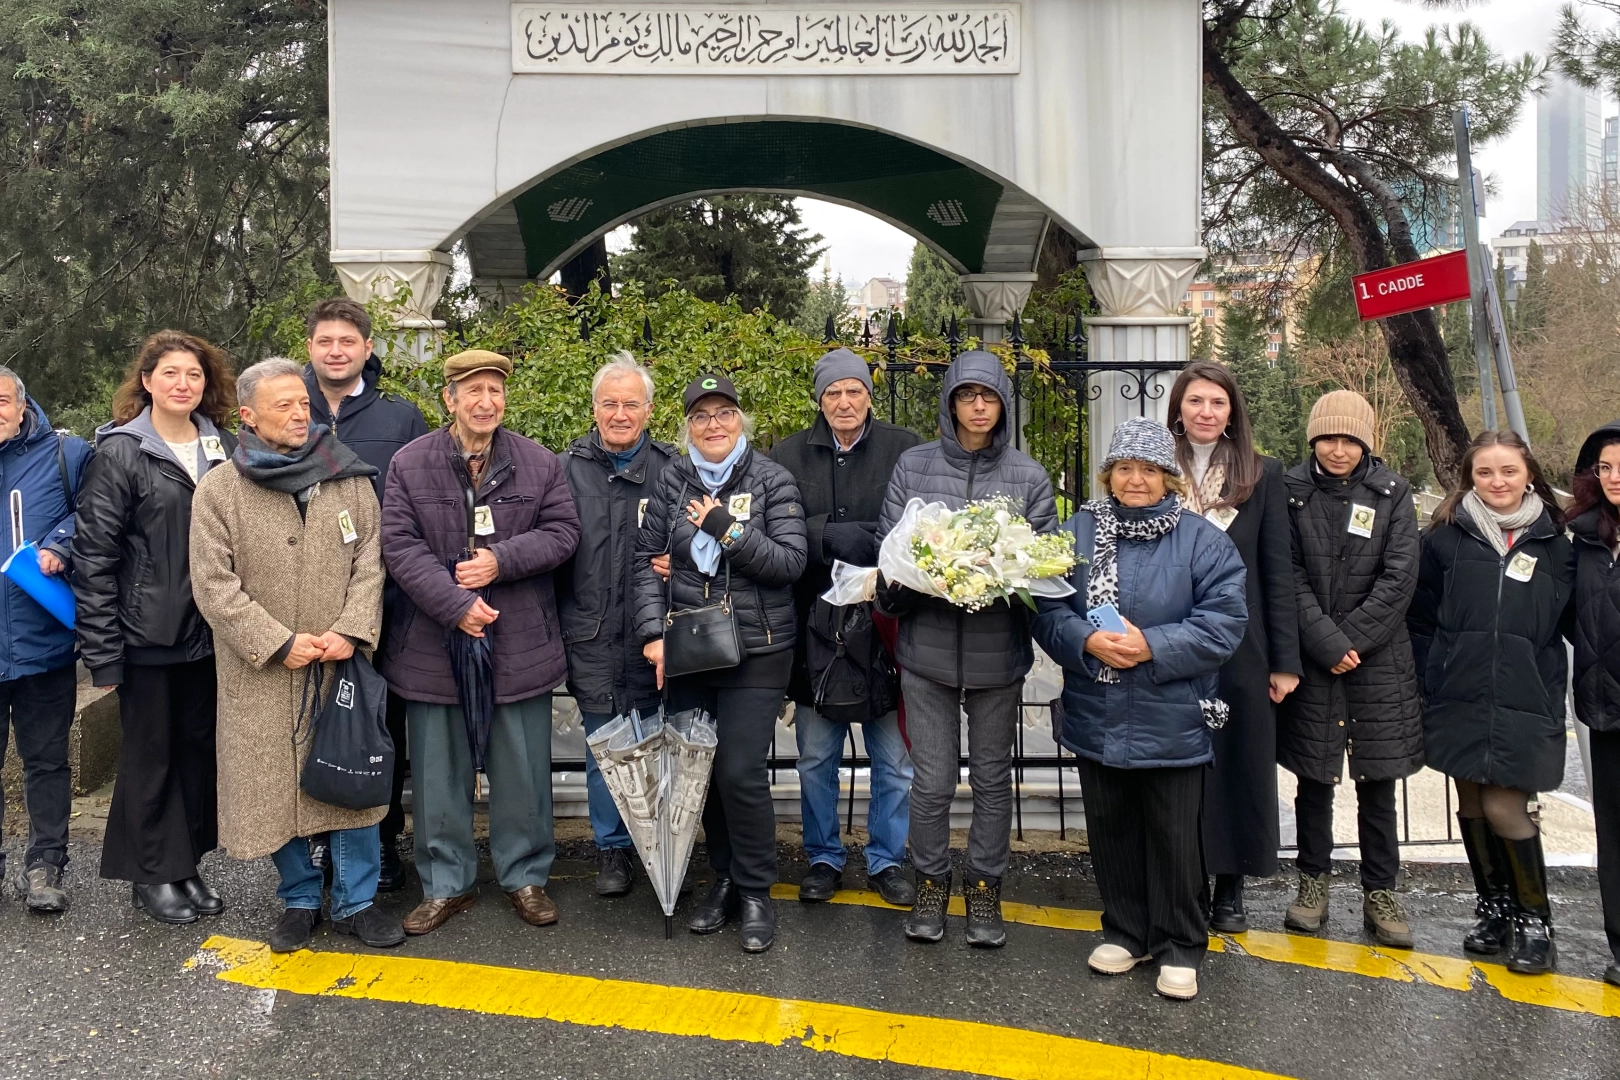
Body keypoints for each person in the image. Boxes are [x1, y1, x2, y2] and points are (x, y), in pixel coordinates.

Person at [189, 358, 403, 953]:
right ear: (248, 417)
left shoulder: (347, 477)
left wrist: (352, 630)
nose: (298, 413)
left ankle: (357, 901)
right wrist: (276, 642)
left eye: (302, 403)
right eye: (282, 405)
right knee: (270, 783)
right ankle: (301, 897)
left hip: (339, 659)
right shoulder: (219, 490)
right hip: (261, 669)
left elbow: (371, 561)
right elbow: (212, 584)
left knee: (349, 777)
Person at [1034, 418, 1247, 1001]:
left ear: (1168, 479)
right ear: (1109, 475)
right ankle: (1126, 930)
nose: (1135, 480)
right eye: (1124, 469)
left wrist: (1153, 644)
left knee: (1174, 834)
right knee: (1111, 828)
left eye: (1148, 470)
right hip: (1097, 707)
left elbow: (1225, 623)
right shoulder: (1076, 534)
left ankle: (1180, 942)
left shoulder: (1202, 540)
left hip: (1171, 709)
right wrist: (1084, 639)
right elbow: (1047, 609)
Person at [381, 349, 581, 936]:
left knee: (521, 769)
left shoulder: (538, 463)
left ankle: (525, 875)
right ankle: (447, 884)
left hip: (519, 641)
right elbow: (399, 546)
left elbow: (564, 533)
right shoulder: (409, 464)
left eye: (495, 390)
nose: (486, 402)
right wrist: (456, 604)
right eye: (473, 391)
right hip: (432, 644)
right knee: (439, 775)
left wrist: (500, 560)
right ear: (449, 399)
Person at [877, 350, 1057, 948]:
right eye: (966, 395)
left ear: (1004, 404)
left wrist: (999, 571)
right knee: (928, 782)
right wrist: (927, 576)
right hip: (925, 651)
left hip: (996, 654)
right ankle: (931, 879)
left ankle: (984, 885)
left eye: (989, 396)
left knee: (990, 779)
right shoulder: (914, 466)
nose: (978, 406)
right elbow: (890, 551)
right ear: (950, 401)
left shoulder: (1028, 477)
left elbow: (1044, 561)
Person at [635, 375, 807, 953]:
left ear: (741, 421)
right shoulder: (671, 480)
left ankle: (757, 890)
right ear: (686, 425)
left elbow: (788, 564)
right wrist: (652, 636)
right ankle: (726, 879)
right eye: (702, 415)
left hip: (757, 647)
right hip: (690, 645)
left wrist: (725, 530)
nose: (713, 424)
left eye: (724, 413)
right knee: (699, 773)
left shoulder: (772, 479)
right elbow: (645, 564)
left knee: (738, 771)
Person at [74, 331, 237, 925]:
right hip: (146, 635)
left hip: (212, 633)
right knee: (151, 756)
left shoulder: (223, 447)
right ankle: (151, 872)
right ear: (146, 382)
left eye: (193, 376)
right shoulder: (121, 452)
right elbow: (94, 559)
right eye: (169, 374)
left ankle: (184, 862)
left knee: (196, 752)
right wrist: (103, 653)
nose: (182, 385)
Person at [1408, 430, 1572, 975]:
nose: (1497, 482)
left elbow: (1576, 624)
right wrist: (1434, 674)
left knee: (1507, 807)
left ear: (1528, 475)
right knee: (1474, 804)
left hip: (1526, 697)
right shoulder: (1445, 539)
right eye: (1484, 472)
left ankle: (1535, 920)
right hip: (1459, 693)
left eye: (1508, 471)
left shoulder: (1558, 543)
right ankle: (1494, 907)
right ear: (1468, 478)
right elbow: (1421, 617)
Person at [769, 348, 921, 907]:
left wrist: (868, 540)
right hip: (816, 626)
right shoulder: (787, 453)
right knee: (815, 755)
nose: (844, 402)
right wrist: (821, 536)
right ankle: (823, 856)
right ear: (820, 399)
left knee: (892, 757)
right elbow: (774, 525)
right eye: (833, 393)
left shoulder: (904, 449)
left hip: (886, 624)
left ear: (869, 395)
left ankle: (886, 858)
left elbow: (917, 524)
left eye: (853, 390)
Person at [1279, 390, 1423, 948]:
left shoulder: (1393, 493)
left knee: (1377, 782)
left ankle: (1380, 890)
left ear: (1366, 443)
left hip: (1378, 662)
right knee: (1314, 779)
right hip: (1316, 659)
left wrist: (1352, 642)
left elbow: (1400, 574)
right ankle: (1312, 882)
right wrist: (1326, 642)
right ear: (1314, 439)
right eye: (1329, 438)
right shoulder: (1289, 492)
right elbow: (1286, 575)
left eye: (1350, 440)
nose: (1339, 450)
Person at [1166, 363, 1300, 932]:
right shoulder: (1155, 473)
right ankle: (1187, 878)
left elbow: (1277, 571)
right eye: (1196, 401)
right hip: (1171, 641)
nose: (1206, 412)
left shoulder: (1261, 476)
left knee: (1239, 761)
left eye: (1217, 403)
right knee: (1183, 765)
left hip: (1243, 645)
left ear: (1231, 413)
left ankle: (1231, 886)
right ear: (1178, 409)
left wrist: (1285, 661)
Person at [301, 297, 429, 893]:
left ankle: (380, 840)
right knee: (308, 727)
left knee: (378, 726)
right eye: (325, 341)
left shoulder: (399, 419)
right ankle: (316, 846)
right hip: (302, 605)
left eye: (347, 342)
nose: (336, 351)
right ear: (311, 348)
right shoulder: (287, 411)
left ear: (367, 348)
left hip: (386, 604)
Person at [557, 352, 675, 897]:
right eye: (610, 403)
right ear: (594, 408)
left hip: (653, 636)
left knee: (653, 742)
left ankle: (656, 846)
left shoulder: (674, 471)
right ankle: (612, 850)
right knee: (603, 745)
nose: (620, 414)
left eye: (631, 404)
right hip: (590, 633)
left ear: (648, 410)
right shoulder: (563, 470)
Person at [0, 366, 92, 913]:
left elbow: (100, 510)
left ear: (21, 403)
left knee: (47, 761)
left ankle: (46, 864)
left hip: (42, 640)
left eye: (1, 401)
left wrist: (62, 542)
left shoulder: (67, 453)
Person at [1563, 420, 1620, 986]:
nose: (1613, 477)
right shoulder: (1584, 538)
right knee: (1616, 833)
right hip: (1605, 710)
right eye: (1604, 467)